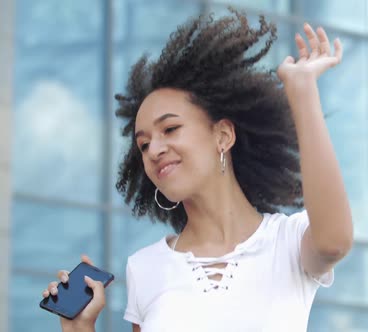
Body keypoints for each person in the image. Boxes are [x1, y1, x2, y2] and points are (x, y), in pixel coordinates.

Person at [42, 8, 352, 332]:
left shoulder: (288, 242)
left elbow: (334, 242)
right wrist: (79, 328)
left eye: (171, 129)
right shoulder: (145, 268)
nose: (155, 150)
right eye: (144, 144)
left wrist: (302, 90)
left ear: (223, 135)